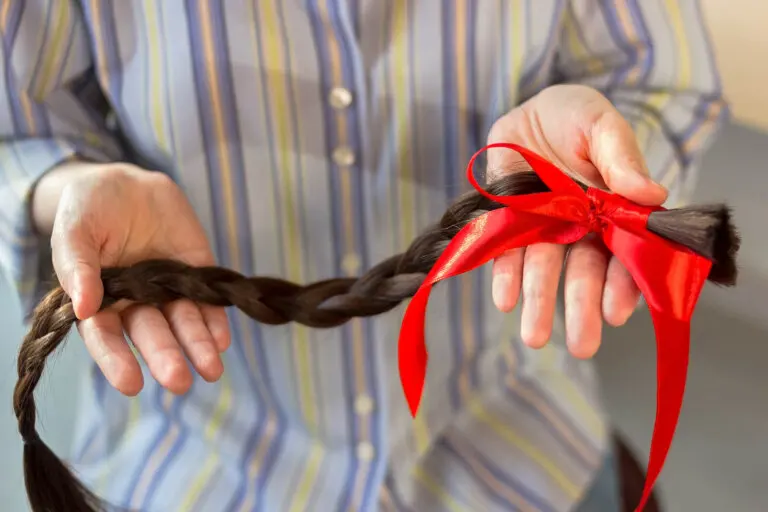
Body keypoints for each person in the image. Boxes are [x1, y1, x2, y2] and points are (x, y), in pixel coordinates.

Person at [0, 1, 726, 511]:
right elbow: (18, 127)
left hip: (518, 449)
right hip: (193, 464)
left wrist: (605, 166)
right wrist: (69, 185)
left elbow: (662, 75)